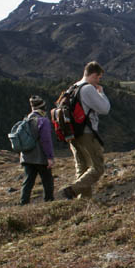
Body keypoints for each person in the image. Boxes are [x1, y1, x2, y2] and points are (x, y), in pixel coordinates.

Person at [60, 62, 111, 200]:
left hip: (73, 134)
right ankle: (72, 190)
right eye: (99, 78)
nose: (99, 81)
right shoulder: (87, 89)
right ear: (94, 75)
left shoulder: (73, 87)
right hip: (86, 133)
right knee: (97, 168)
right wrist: (101, 93)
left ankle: (83, 202)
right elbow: (105, 109)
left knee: (82, 168)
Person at [19, 95, 55, 205]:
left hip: (26, 157)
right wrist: (50, 157)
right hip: (40, 157)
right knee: (47, 181)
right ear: (43, 107)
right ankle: (49, 202)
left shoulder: (26, 120)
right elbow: (46, 140)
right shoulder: (43, 121)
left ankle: (23, 204)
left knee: (28, 182)